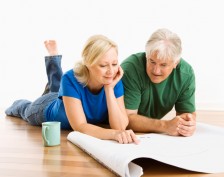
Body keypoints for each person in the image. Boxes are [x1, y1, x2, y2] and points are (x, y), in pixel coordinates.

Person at [5, 35, 139, 144]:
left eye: (115, 64)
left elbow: (120, 127)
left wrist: (109, 89)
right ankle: (18, 103)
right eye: (103, 65)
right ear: (87, 63)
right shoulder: (70, 78)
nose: (111, 71)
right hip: (45, 108)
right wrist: (113, 134)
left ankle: (53, 57)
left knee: (57, 87)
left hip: (66, 98)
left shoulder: (114, 80)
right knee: (26, 108)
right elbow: (80, 126)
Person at [121, 28, 196, 137]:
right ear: (146, 55)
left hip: (149, 135)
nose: (156, 70)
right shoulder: (131, 69)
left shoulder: (186, 74)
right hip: (112, 128)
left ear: (176, 63)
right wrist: (165, 126)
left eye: (163, 65)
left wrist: (187, 125)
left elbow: (186, 115)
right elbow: (126, 119)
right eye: (152, 62)